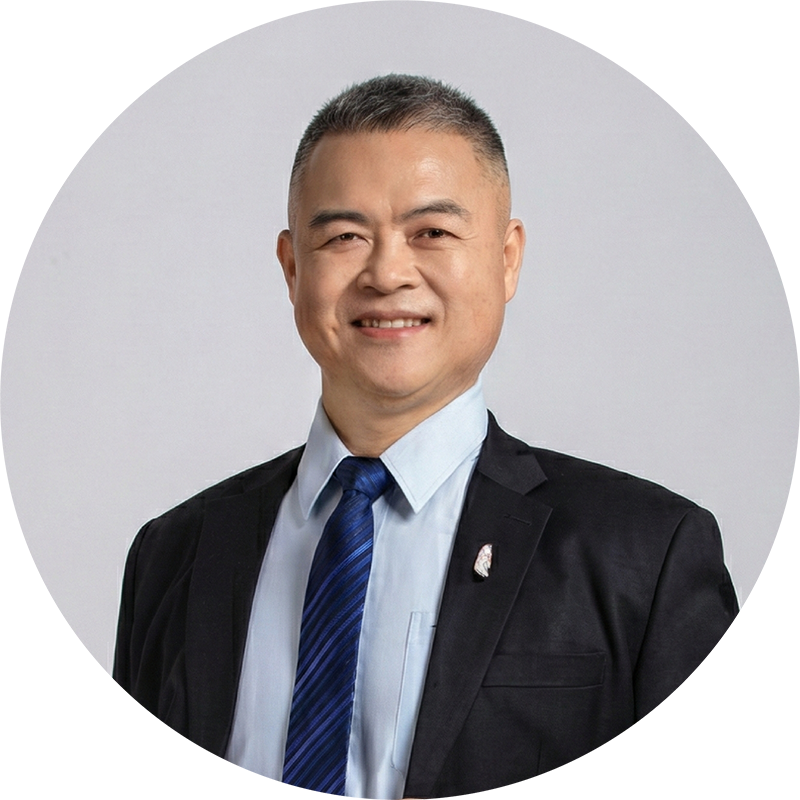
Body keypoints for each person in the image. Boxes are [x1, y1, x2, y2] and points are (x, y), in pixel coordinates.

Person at [113, 75, 738, 799]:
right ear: (291, 267)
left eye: (431, 233)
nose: (387, 273)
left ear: (507, 258)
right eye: (344, 237)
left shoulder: (645, 556)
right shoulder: (174, 555)